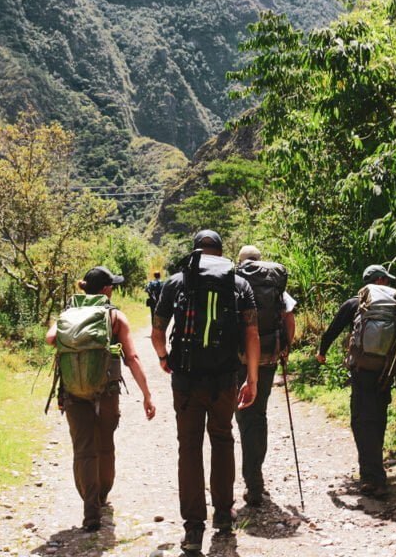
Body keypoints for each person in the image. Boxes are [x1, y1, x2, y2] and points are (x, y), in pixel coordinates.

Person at [151, 230, 260, 555]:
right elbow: (252, 333)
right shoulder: (238, 283)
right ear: (221, 252)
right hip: (225, 378)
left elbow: (158, 331)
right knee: (223, 439)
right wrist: (251, 378)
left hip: (186, 379)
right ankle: (224, 516)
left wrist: (163, 359)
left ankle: (193, 529)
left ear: (195, 251)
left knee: (189, 447)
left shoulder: (176, 282)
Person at [45, 266, 157, 532]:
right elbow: (132, 358)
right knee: (105, 444)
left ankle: (90, 508)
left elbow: (50, 338)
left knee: (83, 448)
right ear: (107, 289)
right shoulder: (115, 316)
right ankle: (103, 495)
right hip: (106, 391)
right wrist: (147, 394)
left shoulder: (68, 313)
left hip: (73, 391)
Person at [315, 264, 396, 497]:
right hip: (385, 373)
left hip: (361, 371)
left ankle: (372, 477)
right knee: (378, 419)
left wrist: (322, 352)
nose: (389, 284)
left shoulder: (354, 304)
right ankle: (375, 474)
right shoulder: (393, 307)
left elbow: (332, 330)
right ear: (379, 280)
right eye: (387, 280)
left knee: (360, 421)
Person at [234, 245, 297, 506]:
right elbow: (289, 318)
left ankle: (249, 482)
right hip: (268, 356)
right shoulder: (275, 284)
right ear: (260, 261)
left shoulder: (235, 282)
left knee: (240, 417)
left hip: (239, 357)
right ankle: (254, 479)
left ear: (240, 262)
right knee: (257, 415)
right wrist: (285, 348)